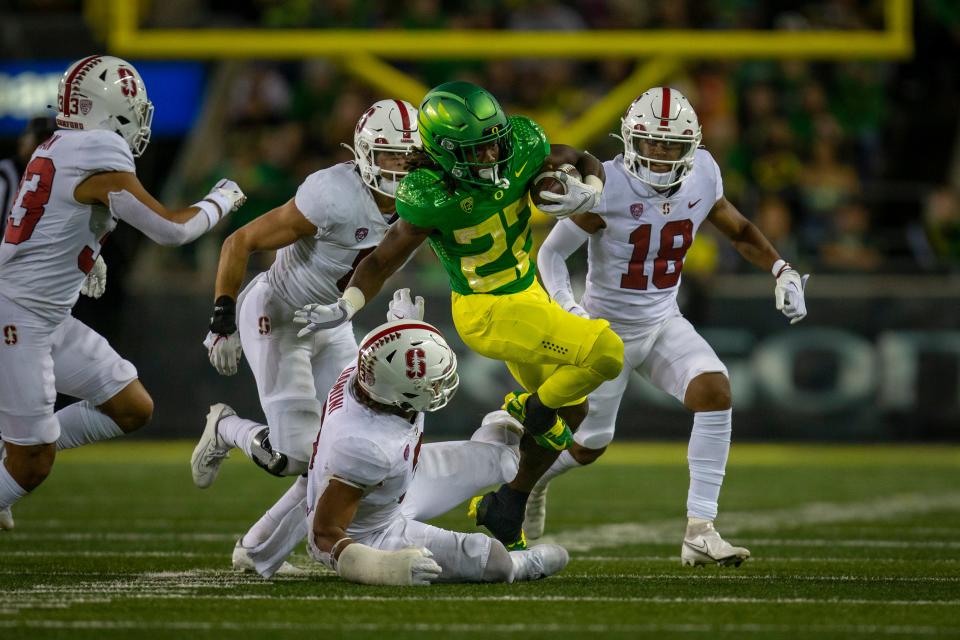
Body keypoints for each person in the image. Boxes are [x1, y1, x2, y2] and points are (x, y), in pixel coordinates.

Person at [292, 81, 625, 550]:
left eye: (495, 140)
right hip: (488, 309)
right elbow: (381, 260)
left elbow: (585, 157)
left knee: (573, 406)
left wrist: (587, 190)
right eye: (477, 147)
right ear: (445, 152)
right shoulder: (429, 193)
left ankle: (508, 507)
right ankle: (529, 410)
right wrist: (347, 304)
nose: (492, 153)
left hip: (529, 295)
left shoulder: (521, 147)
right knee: (605, 352)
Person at [535, 86, 811, 566]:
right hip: (604, 331)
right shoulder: (608, 185)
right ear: (630, 140)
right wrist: (567, 309)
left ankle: (700, 530)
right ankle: (531, 480)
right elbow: (551, 253)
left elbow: (740, 229)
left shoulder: (704, 172)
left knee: (715, 391)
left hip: (662, 318)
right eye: (651, 142)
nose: (660, 154)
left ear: (692, 147)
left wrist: (781, 268)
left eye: (671, 144)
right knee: (588, 444)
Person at [0, 55, 246, 530]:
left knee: (132, 407)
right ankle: (17, 453)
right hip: (20, 317)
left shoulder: (57, 144)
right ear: (107, 109)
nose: (139, 122)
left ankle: (16, 442)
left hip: (42, 312)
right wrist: (221, 198)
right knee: (33, 464)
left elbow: (52, 222)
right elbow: (171, 231)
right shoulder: (97, 149)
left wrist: (89, 254)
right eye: (133, 109)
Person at [190, 99, 424, 570]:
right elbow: (242, 240)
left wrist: (353, 311)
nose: (398, 168)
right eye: (388, 155)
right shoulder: (332, 192)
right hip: (277, 314)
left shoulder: (423, 197)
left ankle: (257, 554)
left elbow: (378, 265)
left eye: (407, 157)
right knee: (296, 455)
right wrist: (222, 316)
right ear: (362, 154)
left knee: (335, 453)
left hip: (333, 323)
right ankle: (225, 427)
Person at [241, 318, 570, 585]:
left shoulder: (367, 378)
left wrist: (402, 322)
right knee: (495, 561)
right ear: (398, 394)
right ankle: (522, 566)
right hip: (373, 529)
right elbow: (324, 535)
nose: (440, 387)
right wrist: (382, 567)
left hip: (397, 479)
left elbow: (392, 357)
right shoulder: (363, 446)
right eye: (432, 384)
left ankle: (501, 430)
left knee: (509, 457)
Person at [0, 117, 58, 238]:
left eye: (51, 140)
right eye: (41, 138)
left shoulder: (61, 177)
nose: (45, 146)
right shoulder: (5, 174)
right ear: (22, 140)